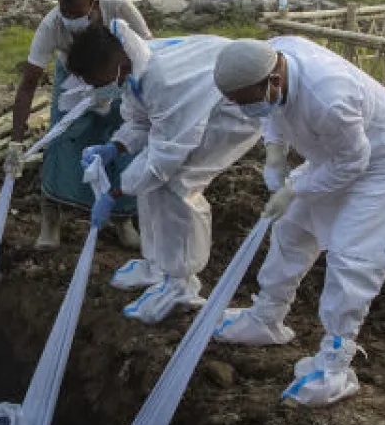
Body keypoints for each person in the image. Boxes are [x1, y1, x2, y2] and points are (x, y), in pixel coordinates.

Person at [210, 37, 385, 408]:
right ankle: (268, 315)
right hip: (336, 155)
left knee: (352, 255)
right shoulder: (268, 58)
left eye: (246, 101)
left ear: (274, 80)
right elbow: (272, 113)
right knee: (292, 228)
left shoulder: (330, 99)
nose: (245, 109)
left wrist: (294, 187)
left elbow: (353, 163)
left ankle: (336, 362)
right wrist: (274, 152)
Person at [65, 24, 262, 323]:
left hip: (232, 110)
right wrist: (114, 147)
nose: (95, 89)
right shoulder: (133, 68)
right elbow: (142, 121)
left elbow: (163, 158)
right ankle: (157, 263)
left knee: (178, 183)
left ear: (113, 65)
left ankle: (182, 282)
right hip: (188, 112)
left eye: (96, 81)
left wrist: (115, 193)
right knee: (151, 183)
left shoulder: (164, 79)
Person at [4, 0, 149, 250]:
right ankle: (50, 221)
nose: (70, 19)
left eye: (77, 13)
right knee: (63, 138)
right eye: (64, 11)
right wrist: (15, 142)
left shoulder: (118, 9)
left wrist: (121, 84)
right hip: (73, 77)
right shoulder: (51, 27)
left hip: (119, 75)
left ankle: (123, 219)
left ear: (95, 5)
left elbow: (149, 52)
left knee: (123, 140)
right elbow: (28, 85)